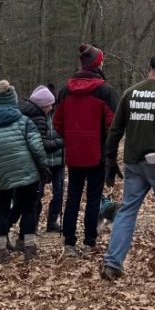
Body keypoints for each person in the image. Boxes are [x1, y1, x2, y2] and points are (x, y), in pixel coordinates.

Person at [100, 55, 155, 278]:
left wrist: (109, 158)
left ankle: (112, 263)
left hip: (133, 163)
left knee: (127, 212)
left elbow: (115, 129)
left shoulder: (130, 93)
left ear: (148, 68)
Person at [0, 82, 50, 263]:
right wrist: (43, 167)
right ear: (13, 99)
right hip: (26, 170)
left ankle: (0, 249)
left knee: (3, 209)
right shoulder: (24, 121)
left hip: (1, 173)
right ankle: (29, 248)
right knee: (29, 207)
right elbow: (37, 147)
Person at [54, 44, 118, 256]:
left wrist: (70, 138)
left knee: (72, 196)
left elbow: (57, 123)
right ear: (97, 63)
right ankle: (90, 241)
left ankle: (69, 243)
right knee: (93, 197)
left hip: (74, 152)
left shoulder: (65, 91)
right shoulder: (105, 90)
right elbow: (113, 124)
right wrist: (108, 146)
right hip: (96, 152)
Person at [22, 86, 65, 234]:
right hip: (42, 161)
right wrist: (62, 142)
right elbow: (40, 142)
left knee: (59, 192)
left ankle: (52, 221)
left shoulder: (60, 113)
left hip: (59, 160)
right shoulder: (37, 116)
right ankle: (33, 223)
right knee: (38, 193)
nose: (52, 106)